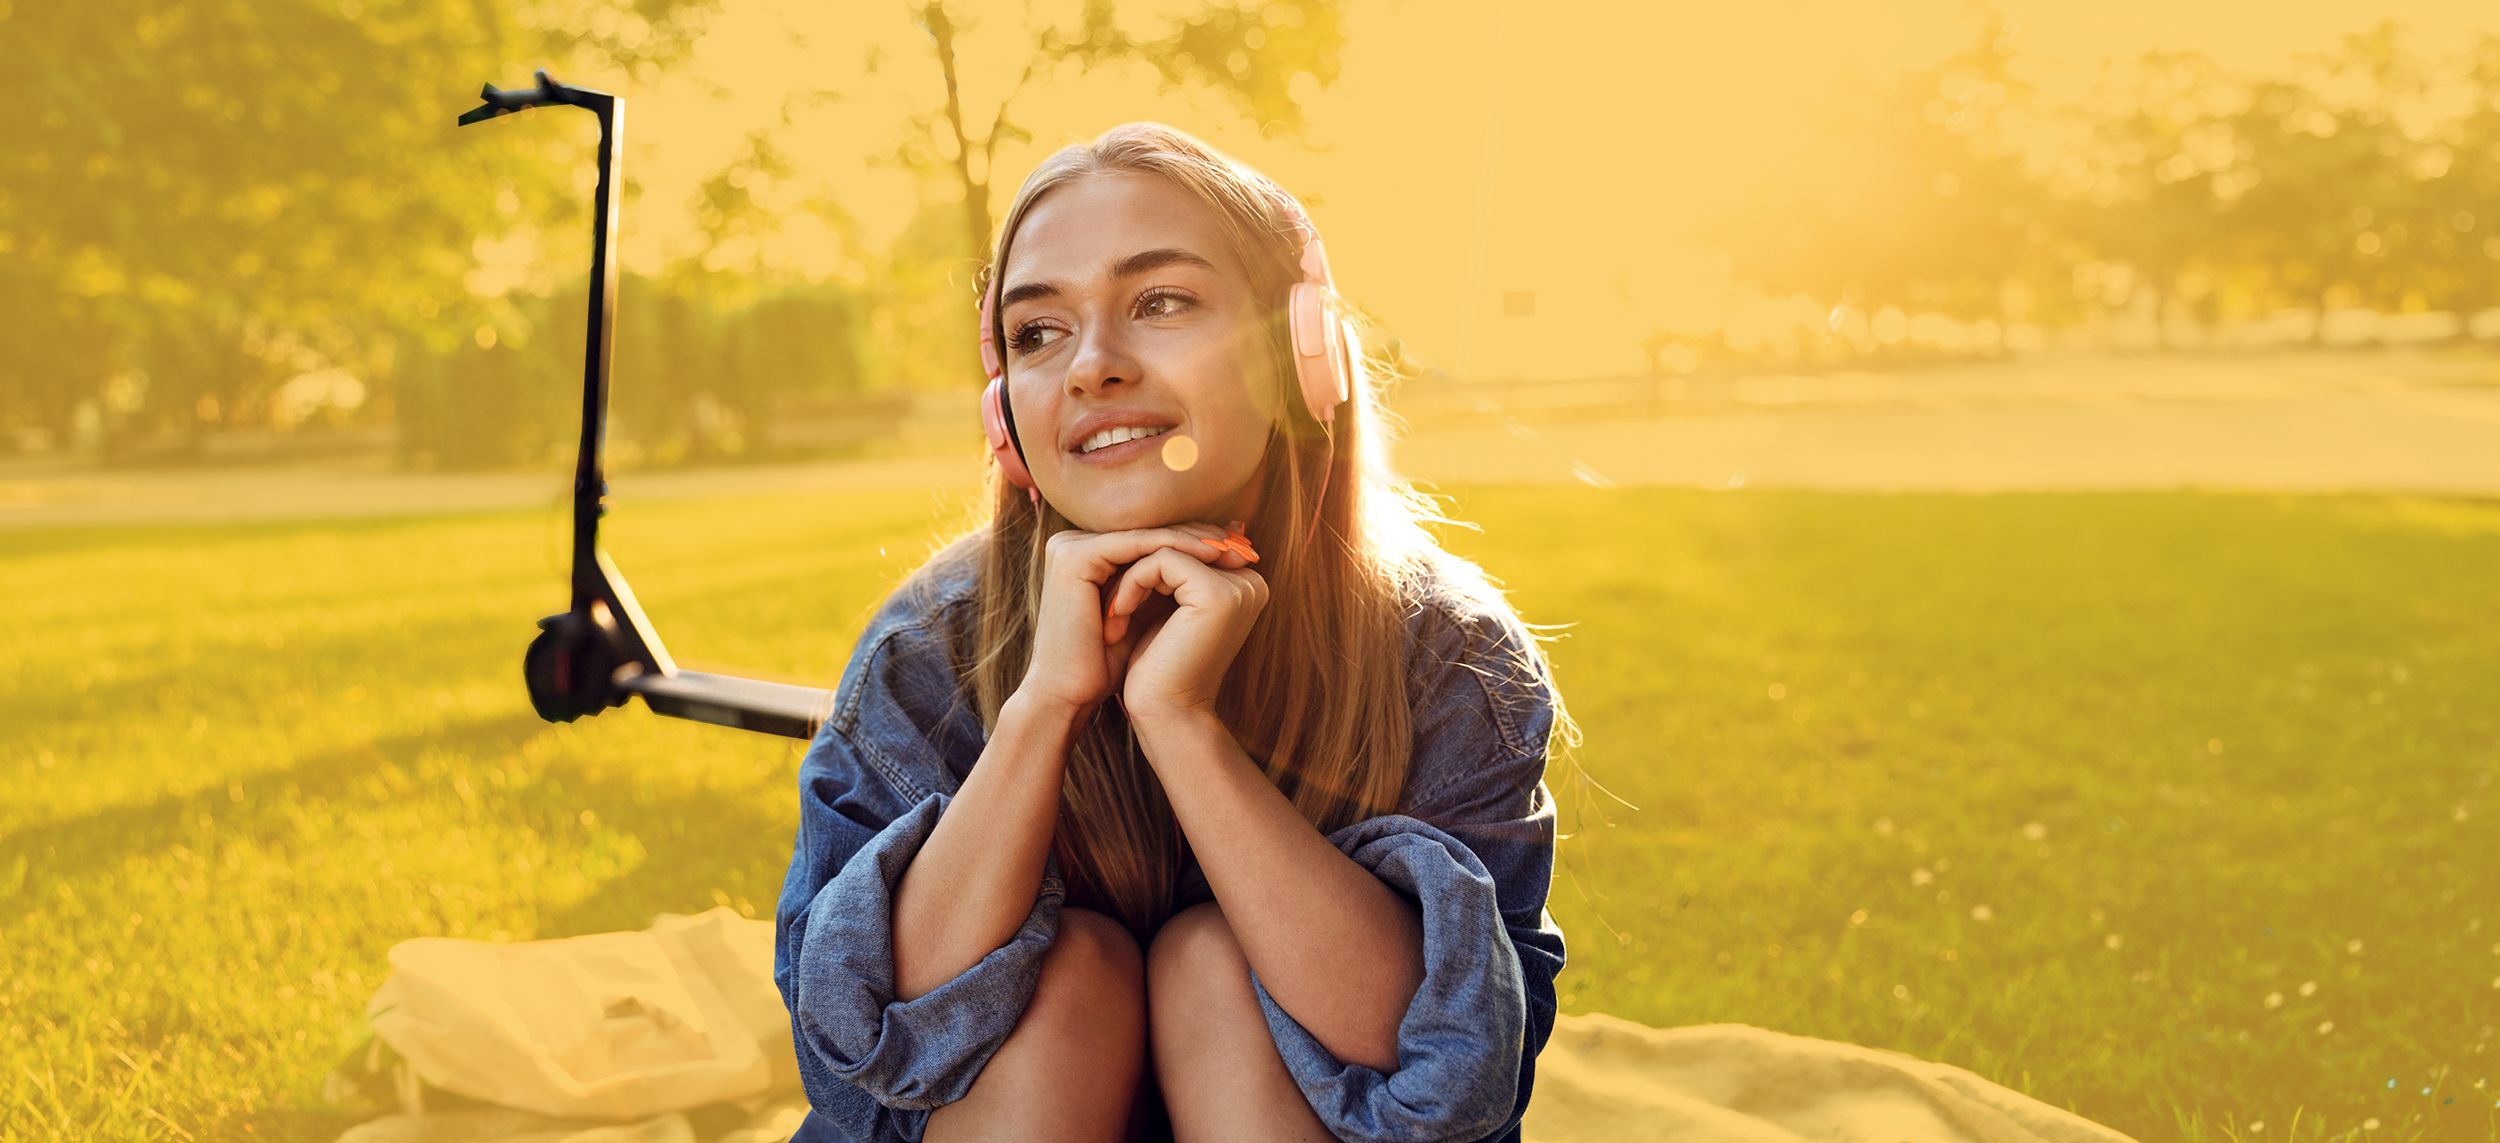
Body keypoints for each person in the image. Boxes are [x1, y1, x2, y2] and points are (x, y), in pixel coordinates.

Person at [772, 121, 1579, 1143]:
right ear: (1003, 413)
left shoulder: (1446, 651)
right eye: (1038, 332)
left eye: (1160, 303)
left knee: (1218, 970)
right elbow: (866, 1051)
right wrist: (1044, 708)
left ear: (1301, 356)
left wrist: (1178, 721)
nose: (1091, 368)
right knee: (1069, 981)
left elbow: (1444, 1074)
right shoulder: (931, 647)